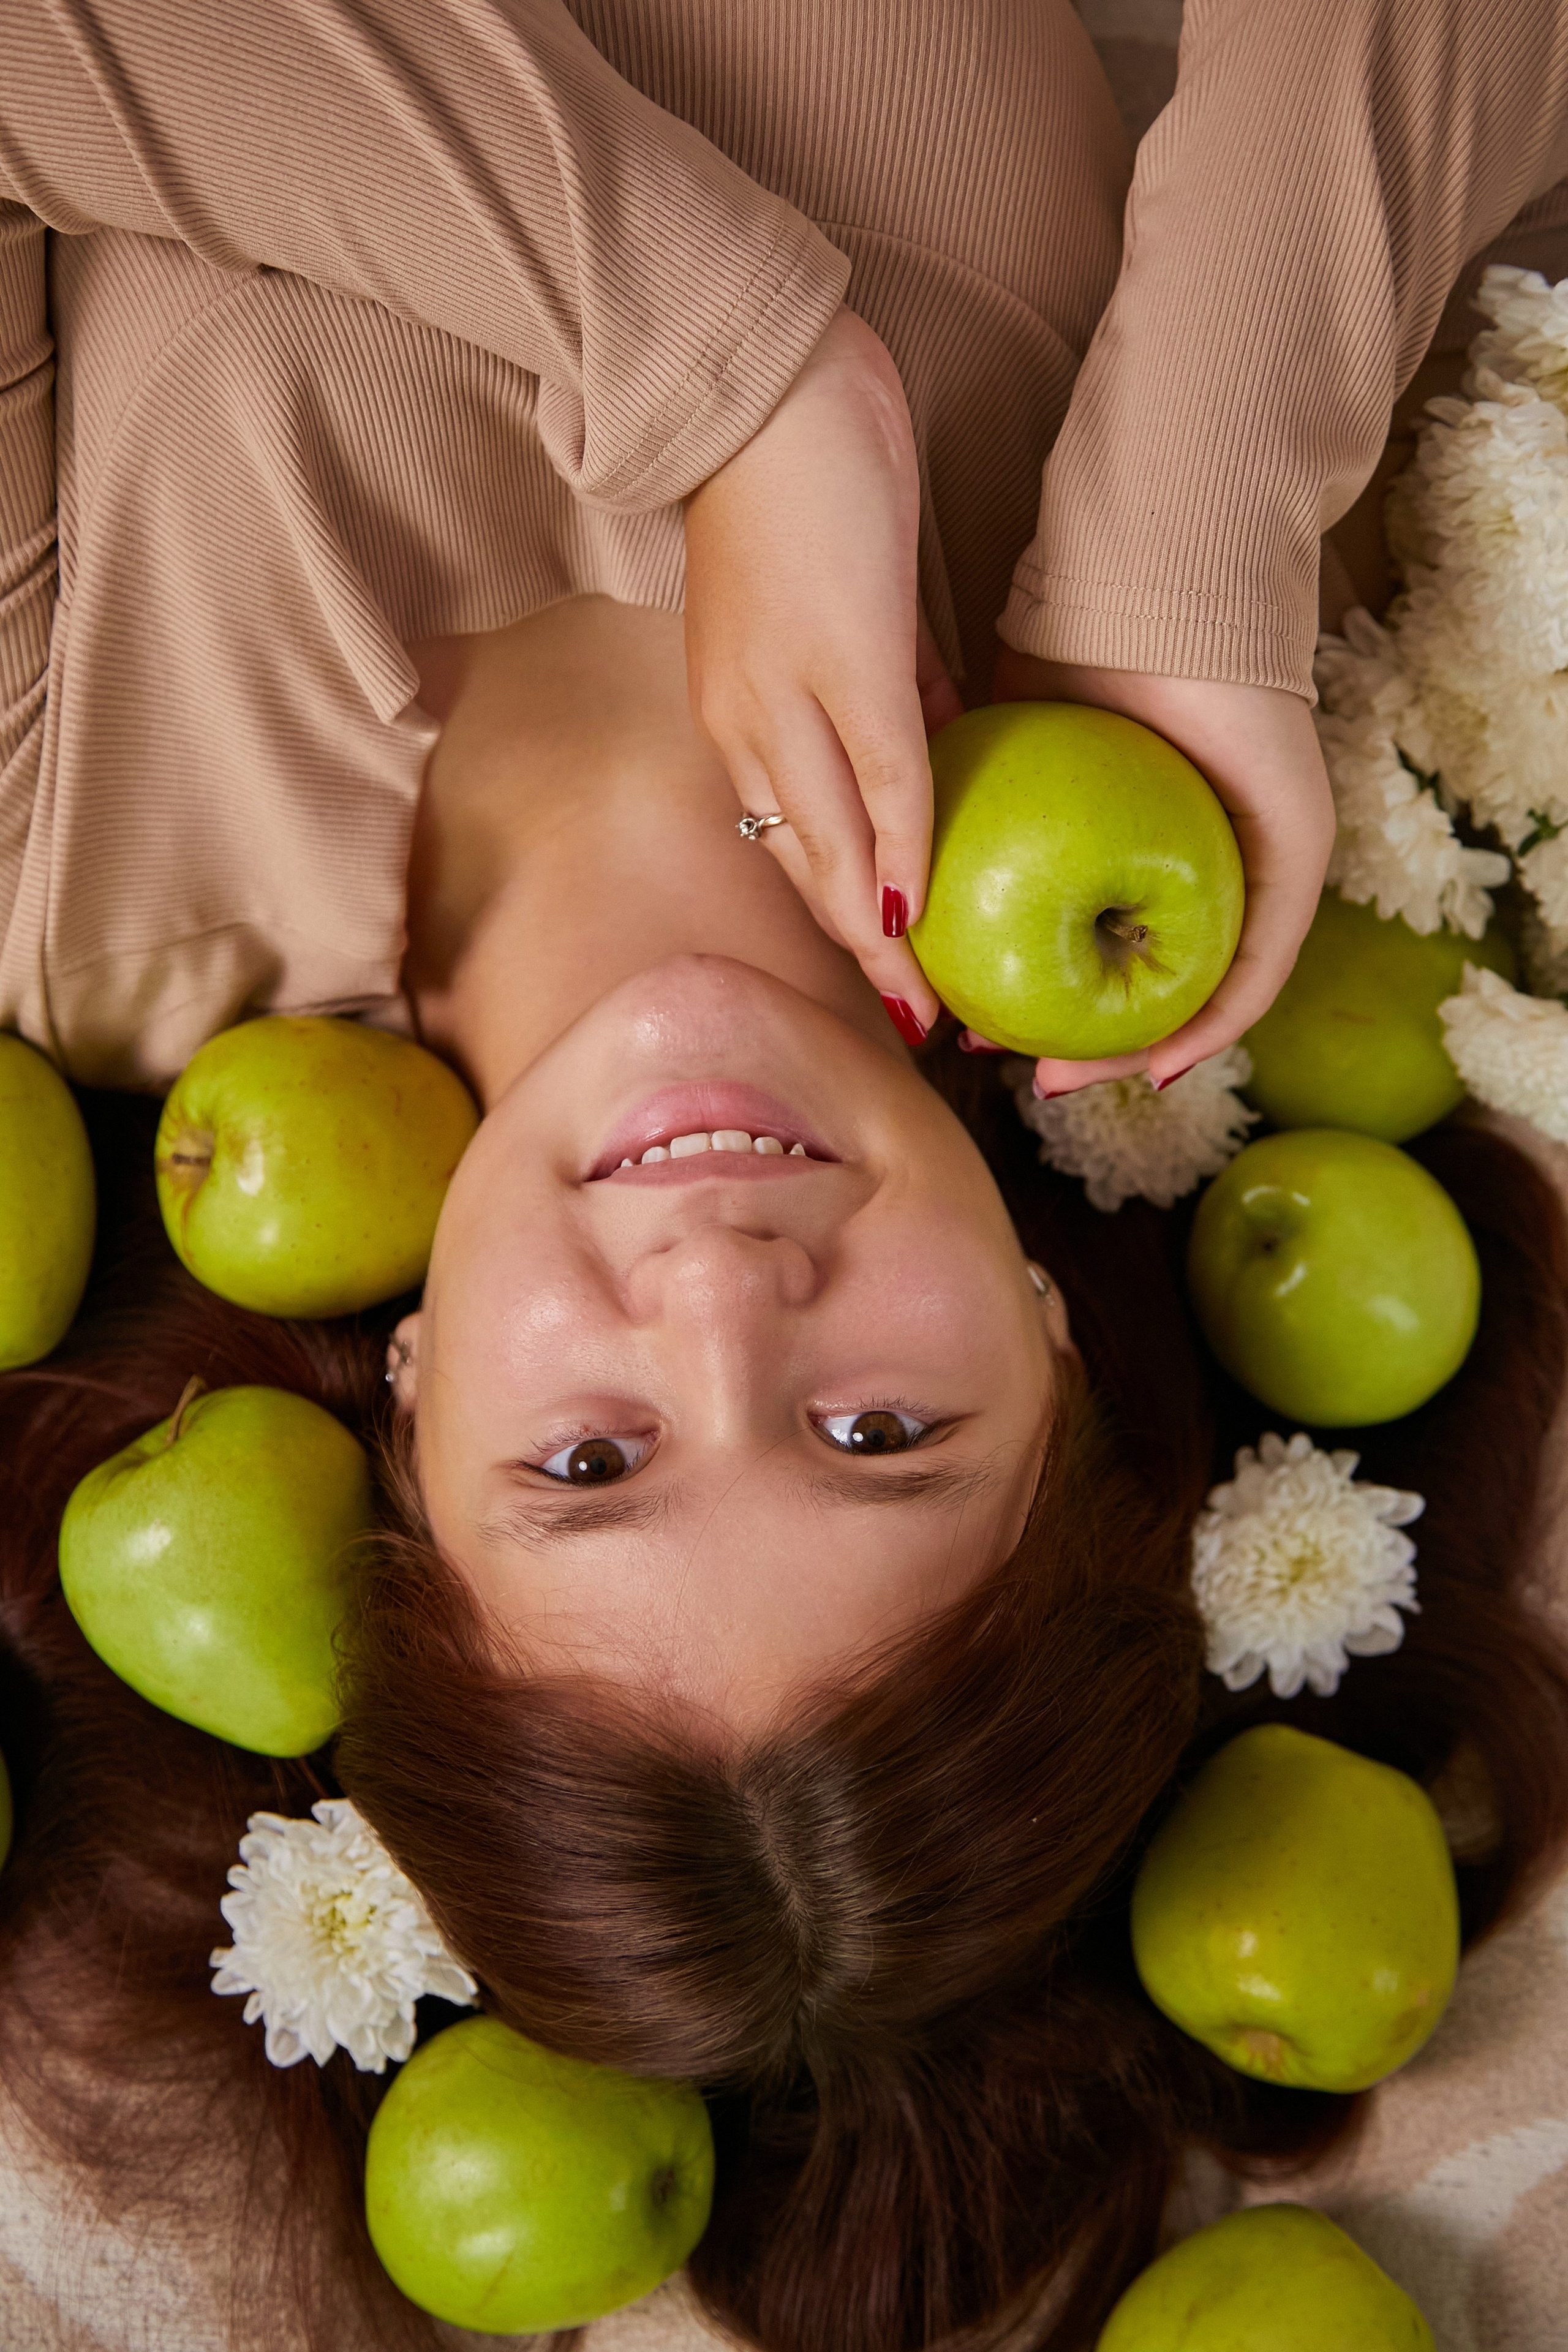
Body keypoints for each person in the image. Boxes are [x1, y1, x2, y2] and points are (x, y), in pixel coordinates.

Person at [2, 2, 1568, 2348]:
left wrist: (729, 374)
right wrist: (1199, 525)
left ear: (406, 1417)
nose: (723, 1294)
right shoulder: (1168, 701)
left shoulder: (84, 888)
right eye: (877, 1436)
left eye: (591, 1457)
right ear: (1056, 1354)